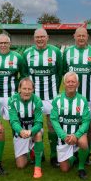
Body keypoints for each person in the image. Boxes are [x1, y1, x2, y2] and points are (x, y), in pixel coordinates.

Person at [0, 34, 27, 162]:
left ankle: (20, 151)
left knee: (15, 123)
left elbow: (23, 76)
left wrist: (19, 91)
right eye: (0, 43)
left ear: (9, 43)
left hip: (11, 97)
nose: (3, 45)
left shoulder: (17, 57)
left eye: (5, 43)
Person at [23, 28, 63, 167]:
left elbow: (60, 72)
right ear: (34, 38)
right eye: (37, 37)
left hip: (52, 98)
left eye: (42, 37)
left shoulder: (56, 52)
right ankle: (36, 154)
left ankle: (53, 155)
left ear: (47, 37)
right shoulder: (27, 53)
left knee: (53, 127)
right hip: (34, 99)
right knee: (35, 127)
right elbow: (25, 75)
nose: (40, 39)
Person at [63, 27, 91, 164]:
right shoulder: (67, 52)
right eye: (79, 36)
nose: (81, 38)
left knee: (88, 126)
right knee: (69, 122)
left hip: (88, 97)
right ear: (74, 36)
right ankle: (70, 151)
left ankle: (86, 153)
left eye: (84, 36)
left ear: (87, 36)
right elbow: (64, 72)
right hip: (71, 96)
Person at [50, 72, 90, 180]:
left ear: (78, 84)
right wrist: (63, 136)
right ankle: (74, 157)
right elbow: (54, 120)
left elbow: (86, 121)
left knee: (83, 141)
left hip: (78, 134)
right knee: (64, 169)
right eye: (68, 82)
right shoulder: (57, 100)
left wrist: (76, 135)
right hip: (64, 137)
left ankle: (81, 167)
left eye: (73, 82)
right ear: (64, 83)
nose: (71, 84)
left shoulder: (83, 100)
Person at [8, 77, 44, 178]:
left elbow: (39, 123)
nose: (27, 91)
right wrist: (20, 131)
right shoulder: (12, 100)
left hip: (33, 131)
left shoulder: (37, 101)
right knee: (20, 165)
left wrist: (30, 131)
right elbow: (13, 121)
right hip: (20, 133)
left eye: (29, 89)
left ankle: (38, 168)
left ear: (33, 90)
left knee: (38, 134)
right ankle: (32, 151)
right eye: (24, 89)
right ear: (19, 89)